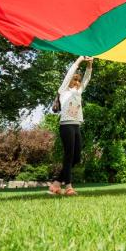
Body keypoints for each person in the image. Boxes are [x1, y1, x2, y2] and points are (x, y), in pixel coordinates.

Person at [48, 56, 93, 196]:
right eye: (75, 79)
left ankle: (56, 184)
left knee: (76, 158)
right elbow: (69, 74)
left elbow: (87, 79)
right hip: (66, 126)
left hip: (76, 126)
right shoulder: (64, 91)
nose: (77, 82)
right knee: (68, 156)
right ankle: (68, 187)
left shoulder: (78, 92)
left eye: (78, 81)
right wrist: (79, 61)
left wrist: (90, 65)